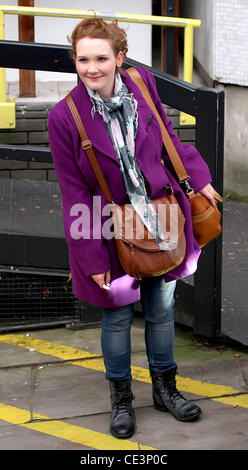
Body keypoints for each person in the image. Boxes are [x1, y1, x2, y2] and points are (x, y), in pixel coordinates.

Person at [48, 17, 217, 439]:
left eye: (101, 58)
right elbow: (72, 193)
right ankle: (121, 399)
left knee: (162, 312)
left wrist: (199, 178)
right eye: (83, 59)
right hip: (104, 227)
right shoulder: (63, 117)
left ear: (119, 58)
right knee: (117, 318)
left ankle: (166, 389)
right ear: (75, 60)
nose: (92, 69)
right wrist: (88, 256)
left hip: (162, 217)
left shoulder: (142, 84)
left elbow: (168, 137)